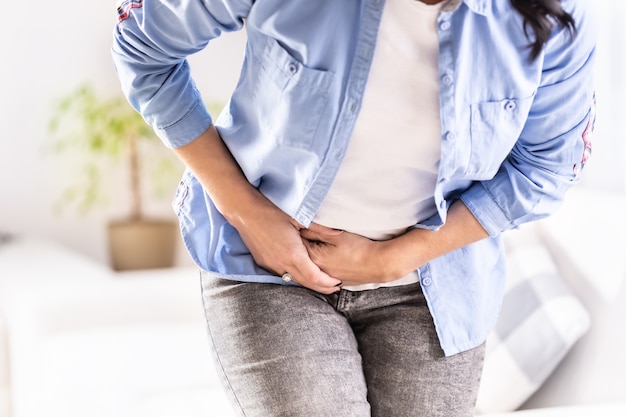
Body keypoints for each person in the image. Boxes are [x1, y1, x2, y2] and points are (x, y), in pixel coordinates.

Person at [111, 0, 597, 415]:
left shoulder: (552, 16)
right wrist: (247, 213)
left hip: (435, 292)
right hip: (268, 270)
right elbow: (142, 47)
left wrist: (393, 258)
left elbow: (548, 166)